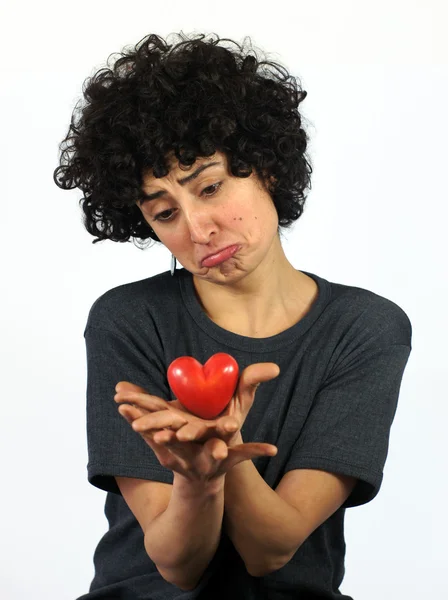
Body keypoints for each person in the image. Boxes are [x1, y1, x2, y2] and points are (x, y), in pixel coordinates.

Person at [53, 32, 413, 600]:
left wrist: (225, 449)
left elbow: (272, 549)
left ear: (265, 167)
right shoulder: (128, 319)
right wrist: (197, 480)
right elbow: (176, 567)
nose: (197, 231)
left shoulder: (365, 328)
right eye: (166, 212)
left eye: (212, 187)